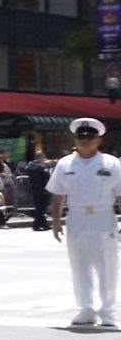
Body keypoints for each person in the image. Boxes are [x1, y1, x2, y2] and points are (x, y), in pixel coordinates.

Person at [48, 117, 121, 326]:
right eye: (81, 136)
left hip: (103, 215)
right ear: (75, 139)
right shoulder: (65, 164)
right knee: (79, 264)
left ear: (98, 140)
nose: (85, 140)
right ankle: (86, 308)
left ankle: (107, 309)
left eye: (90, 137)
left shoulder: (111, 163)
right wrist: (56, 221)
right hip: (77, 216)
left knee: (107, 264)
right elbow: (57, 194)